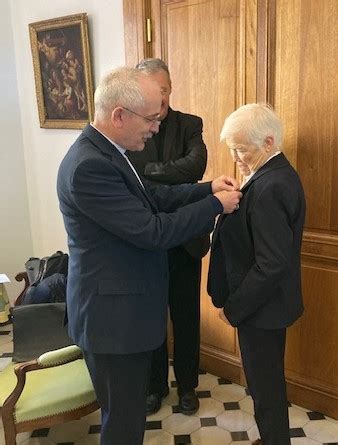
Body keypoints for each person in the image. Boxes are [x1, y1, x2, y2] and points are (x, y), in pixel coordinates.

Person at [56, 66, 241, 445]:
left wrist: (206, 190)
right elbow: (153, 231)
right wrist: (215, 207)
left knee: (126, 420)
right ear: (119, 114)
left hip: (122, 315)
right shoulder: (90, 166)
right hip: (113, 322)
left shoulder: (109, 152)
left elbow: (152, 198)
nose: (156, 128)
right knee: (123, 425)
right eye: (151, 119)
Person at [207, 103, 306, 445]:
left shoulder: (271, 186)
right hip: (264, 307)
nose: (235, 157)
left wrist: (234, 308)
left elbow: (271, 263)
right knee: (266, 384)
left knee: (266, 388)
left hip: (261, 310)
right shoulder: (270, 175)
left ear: (267, 142)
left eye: (241, 149)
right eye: (232, 148)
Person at [128, 58, 208, 416]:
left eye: (159, 90)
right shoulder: (132, 127)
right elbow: (134, 176)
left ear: (169, 88)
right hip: (146, 240)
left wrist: (153, 174)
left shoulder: (190, 124)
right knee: (151, 316)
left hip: (185, 239)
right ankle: (154, 386)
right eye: (146, 90)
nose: (154, 98)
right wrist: (165, 177)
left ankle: (188, 386)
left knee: (186, 316)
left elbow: (196, 166)